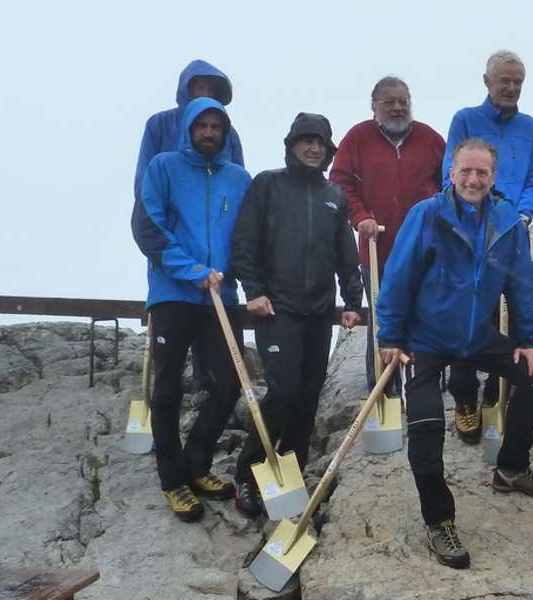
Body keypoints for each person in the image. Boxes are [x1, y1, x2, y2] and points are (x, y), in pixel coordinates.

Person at [376, 139, 533, 569]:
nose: (474, 180)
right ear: (451, 174)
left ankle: (511, 467)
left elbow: (521, 284)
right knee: (425, 426)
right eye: (466, 172)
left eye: (482, 173)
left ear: (493, 177)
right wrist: (390, 337)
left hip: (477, 336)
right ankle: (439, 520)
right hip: (425, 341)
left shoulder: (508, 220)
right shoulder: (426, 215)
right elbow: (397, 279)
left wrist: (529, 341)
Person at [229, 112, 363, 517]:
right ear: (291, 145)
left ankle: (291, 476)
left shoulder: (334, 196)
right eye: (306, 140)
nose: (313, 147)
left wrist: (353, 301)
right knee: (283, 392)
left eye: (320, 142)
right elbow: (245, 241)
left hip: (319, 313)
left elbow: (346, 253)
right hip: (277, 309)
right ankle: (248, 475)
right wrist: (253, 291)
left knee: (307, 399)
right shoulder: (268, 185)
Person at [132, 97, 252, 522]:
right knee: (166, 389)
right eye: (201, 125)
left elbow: (248, 236)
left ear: (225, 133)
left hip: (221, 295)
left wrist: (244, 281)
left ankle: (196, 464)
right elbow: (148, 227)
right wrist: (191, 269)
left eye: (216, 127)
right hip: (172, 294)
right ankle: (172, 480)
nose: (208, 132)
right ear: (188, 128)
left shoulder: (238, 178)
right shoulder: (162, 167)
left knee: (230, 385)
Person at [329, 76, 449, 432]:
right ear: (374, 106)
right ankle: (383, 389)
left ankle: (426, 385)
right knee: (384, 320)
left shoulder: (429, 138)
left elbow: (450, 183)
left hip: (424, 249)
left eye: (403, 101)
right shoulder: (358, 137)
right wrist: (360, 216)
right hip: (376, 248)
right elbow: (340, 181)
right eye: (389, 102)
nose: (398, 108)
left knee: (425, 315)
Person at [441, 50, 533, 442]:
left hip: (512, 228)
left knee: (520, 302)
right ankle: (465, 399)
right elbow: (450, 173)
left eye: (518, 81)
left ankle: (500, 390)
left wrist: (522, 213)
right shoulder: (466, 120)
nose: (511, 87)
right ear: (487, 81)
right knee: (470, 311)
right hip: (468, 229)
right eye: (504, 79)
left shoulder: (530, 127)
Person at [133, 59, 246, 394]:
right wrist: (162, 239)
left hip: (217, 264)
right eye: (200, 86)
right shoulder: (160, 126)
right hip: (169, 238)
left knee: (223, 376)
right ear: (186, 88)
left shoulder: (230, 135)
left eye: (212, 89)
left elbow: (237, 190)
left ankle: (203, 376)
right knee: (168, 369)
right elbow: (144, 184)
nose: (205, 93)